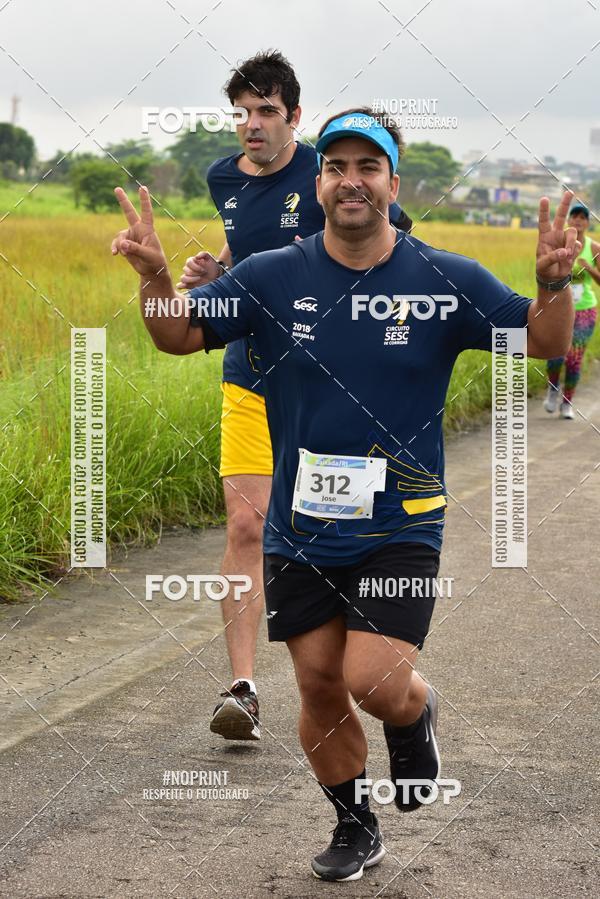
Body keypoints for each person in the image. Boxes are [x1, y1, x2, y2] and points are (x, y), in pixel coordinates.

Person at [111, 110, 577, 882]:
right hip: (299, 529)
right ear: (319, 181)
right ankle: (357, 825)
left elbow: (545, 340)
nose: (351, 179)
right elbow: (180, 335)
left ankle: (414, 710)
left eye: (370, 166)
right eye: (337, 166)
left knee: (375, 680)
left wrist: (553, 286)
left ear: (395, 185)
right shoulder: (271, 276)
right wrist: (156, 278)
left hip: (401, 524)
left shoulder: (443, 280)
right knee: (321, 682)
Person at [175, 51, 411, 741]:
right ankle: (244, 689)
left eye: (266, 111)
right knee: (246, 524)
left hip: (330, 386)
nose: (252, 125)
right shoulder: (223, 177)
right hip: (251, 373)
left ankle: (364, 667)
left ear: (294, 117)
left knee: (330, 530)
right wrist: (214, 273)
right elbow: (253, 264)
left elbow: (389, 251)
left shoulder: (332, 172)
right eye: (242, 112)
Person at [543, 201, 599, 419]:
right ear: (569, 220)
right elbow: (545, 270)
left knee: (575, 358)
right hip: (559, 307)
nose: (578, 220)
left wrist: (590, 268)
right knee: (555, 354)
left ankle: (567, 402)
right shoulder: (559, 243)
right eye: (574, 216)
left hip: (584, 308)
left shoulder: (594, 248)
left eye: (583, 217)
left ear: (588, 222)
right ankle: (553, 388)